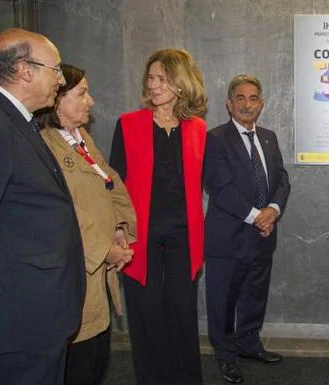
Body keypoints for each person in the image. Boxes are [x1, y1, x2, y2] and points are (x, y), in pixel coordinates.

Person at [0, 28, 85, 385]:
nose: (61, 79)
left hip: (38, 311)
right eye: (55, 70)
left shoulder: (11, 118)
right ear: (25, 70)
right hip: (19, 315)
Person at [109, 48, 207, 385]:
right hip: (142, 234)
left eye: (161, 78)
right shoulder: (128, 124)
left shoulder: (197, 128)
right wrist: (119, 229)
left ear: (180, 83)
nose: (153, 85)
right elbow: (115, 185)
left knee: (182, 311)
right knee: (146, 313)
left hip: (184, 234)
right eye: (150, 78)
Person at [35, 63, 137, 385]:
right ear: (58, 101)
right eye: (82, 93)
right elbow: (65, 210)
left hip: (98, 276)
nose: (91, 101)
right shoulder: (45, 145)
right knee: (77, 365)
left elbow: (112, 184)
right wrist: (105, 249)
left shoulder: (82, 140)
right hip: (76, 274)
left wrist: (120, 228)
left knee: (96, 361)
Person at [203, 74, 291, 384]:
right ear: (229, 104)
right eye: (240, 98)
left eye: (253, 98)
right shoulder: (215, 138)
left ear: (261, 105)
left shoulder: (268, 137)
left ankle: (249, 344)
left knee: (255, 295)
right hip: (228, 239)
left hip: (263, 236)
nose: (247, 104)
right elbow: (220, 188)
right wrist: (257, 216)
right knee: (223, 301)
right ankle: (226, 356)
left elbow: (281, 178)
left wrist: (273, 211)